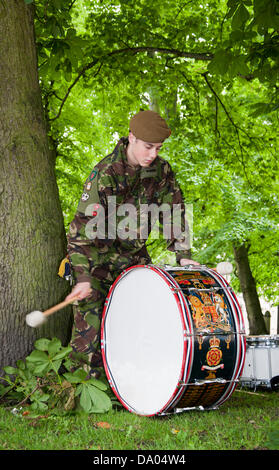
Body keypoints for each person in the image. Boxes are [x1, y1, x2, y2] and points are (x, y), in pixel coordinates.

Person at [66, 110, 199, 379]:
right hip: (98, 265)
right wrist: (82, 278)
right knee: (88, 339)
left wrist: (183, 255)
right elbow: (80, 234)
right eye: (148, 146)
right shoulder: (104, 174)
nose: (153, 153)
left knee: (140, 328)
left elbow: (173, 212)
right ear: (131, 138)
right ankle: (77, 392)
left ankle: (132, 387)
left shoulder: (161, 171)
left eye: (158, 148)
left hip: (135, 262)